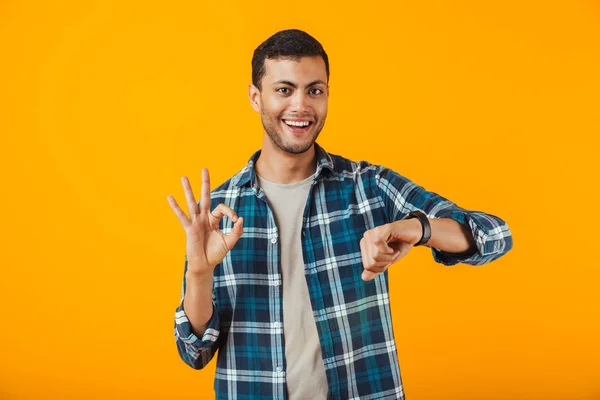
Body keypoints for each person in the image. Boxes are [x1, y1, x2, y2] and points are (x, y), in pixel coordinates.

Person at [167, 29, 513, 400]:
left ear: (327, 94)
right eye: (284, 90)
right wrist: (200, 274)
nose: (301, 106)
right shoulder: (219, 210)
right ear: (256, 97)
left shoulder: (368, 187)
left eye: (314, 90)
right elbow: (195, 352)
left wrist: (419, 228)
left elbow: (494, 236)